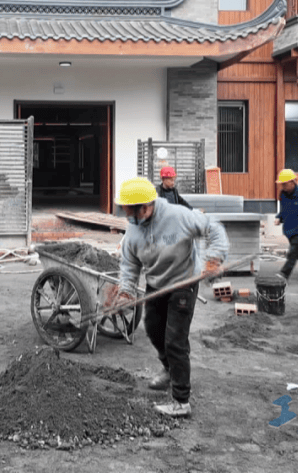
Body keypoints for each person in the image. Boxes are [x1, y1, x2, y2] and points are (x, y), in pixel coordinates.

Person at [108, 177, 229, 418]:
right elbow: (130, 266)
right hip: (156, 285)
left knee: (175, 340)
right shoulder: (133, 231)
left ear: (146, 207)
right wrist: (125, 293)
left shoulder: (179, 216)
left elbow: (213, 228)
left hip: (183, 282)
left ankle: (181, 400)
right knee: (154, 330)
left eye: (130, 210)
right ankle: (169, 369)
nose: (127, 216)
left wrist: (214, 258)